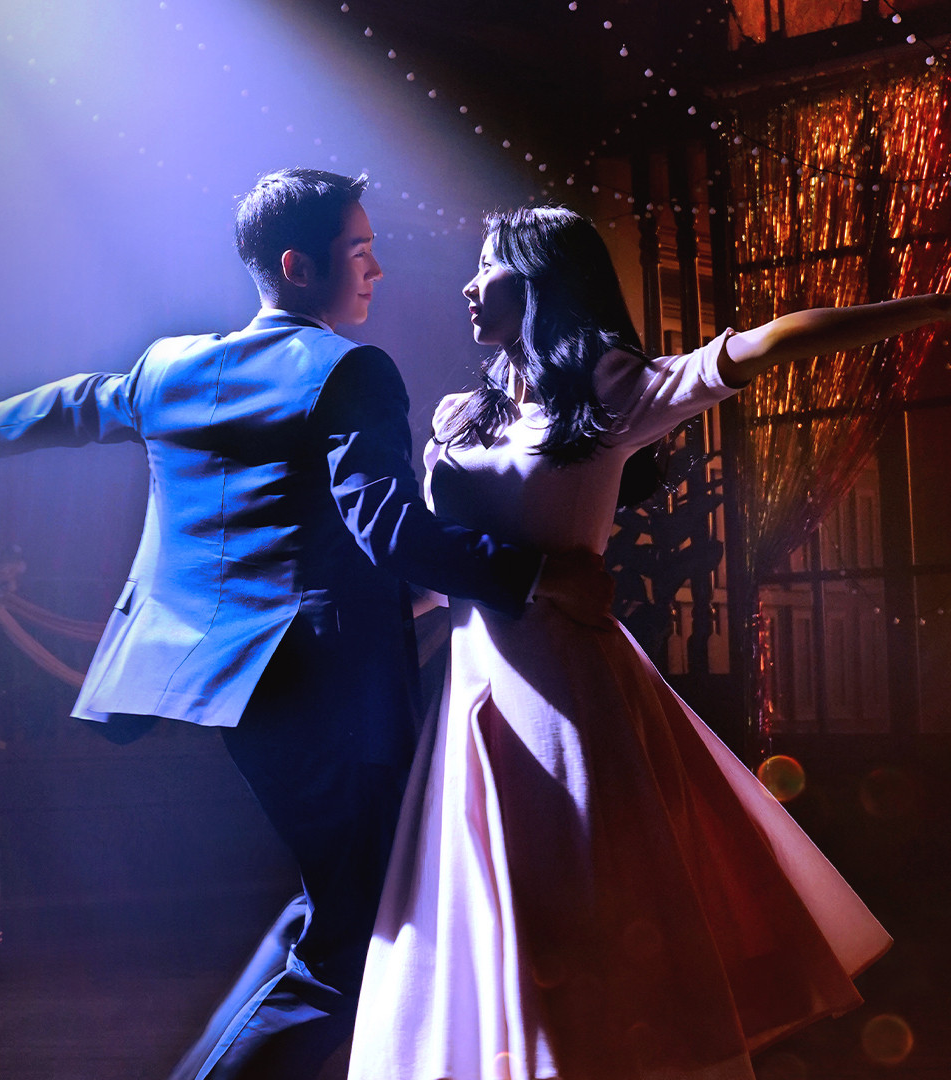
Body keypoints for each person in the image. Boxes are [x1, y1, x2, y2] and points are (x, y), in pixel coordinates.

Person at [0, 170, 614, 1079]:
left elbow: (79, 403)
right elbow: (392, 531)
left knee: (340, 906)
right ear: (299, 266)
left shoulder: (169, 367)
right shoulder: (350, 370)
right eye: (361, 251)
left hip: (230, 690)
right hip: (331, 700)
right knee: (355, 943)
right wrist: (540, 574)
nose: (377, 269)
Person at [348, 205, 948, 1080]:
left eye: (490, 265)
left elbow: (769, 344)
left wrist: (932, 305)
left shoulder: (609, 389)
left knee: (588, 925)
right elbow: (448, 569)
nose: (469, 286)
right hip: (475, 702)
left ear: (543, 278)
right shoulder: (461, 415)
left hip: (568, 701)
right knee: (497, 925)